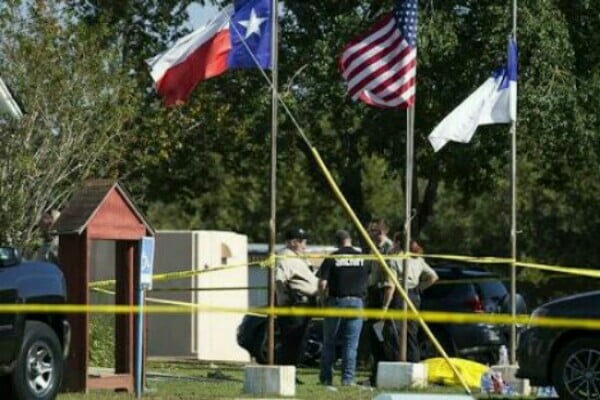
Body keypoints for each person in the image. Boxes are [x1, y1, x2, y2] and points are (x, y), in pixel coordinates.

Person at [318, 229, 369, 387]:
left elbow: (322, 283)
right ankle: (348, 379)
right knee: (351, 344)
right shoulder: (362, 258)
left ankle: (326, 379)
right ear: (350, 240)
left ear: (336, 242)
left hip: (336, 301)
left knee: (329, 342)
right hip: (357, 302)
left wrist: (321, 299)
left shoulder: (332, 257)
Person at [385, 236, 439, 364]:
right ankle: (414, 362)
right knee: (412, 333)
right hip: (414, 296)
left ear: (398, 244)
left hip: (399, 295)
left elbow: (391, 285)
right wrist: (419, 288)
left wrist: (385, 305)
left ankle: (396, 363)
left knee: (395, 332)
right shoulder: (418, 259)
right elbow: (434, 276)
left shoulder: (395, 260)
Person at [274, 227, 319, 373]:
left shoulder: (300, 257)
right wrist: (285, 300)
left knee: (300, 341)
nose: (304, 245)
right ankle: (284, 373)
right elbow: (279, 280)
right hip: (295, 305)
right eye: (302, 241)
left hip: (306, 304)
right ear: (293, 242)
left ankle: (290, 372)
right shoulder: (285, 256)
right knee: (291, 342)